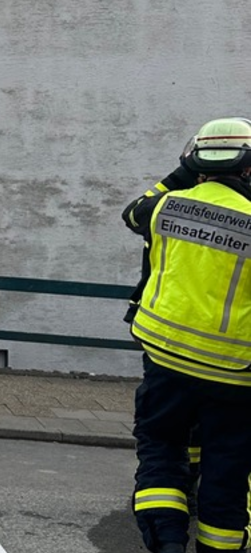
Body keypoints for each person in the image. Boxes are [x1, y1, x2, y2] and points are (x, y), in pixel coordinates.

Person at [123, 117, 251, 553]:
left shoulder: (164, 207)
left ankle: (167, 544)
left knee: (160, 453)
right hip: (235, 374)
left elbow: (132, 212)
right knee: (228, 474)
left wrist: (182, 173)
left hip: (166, 360)